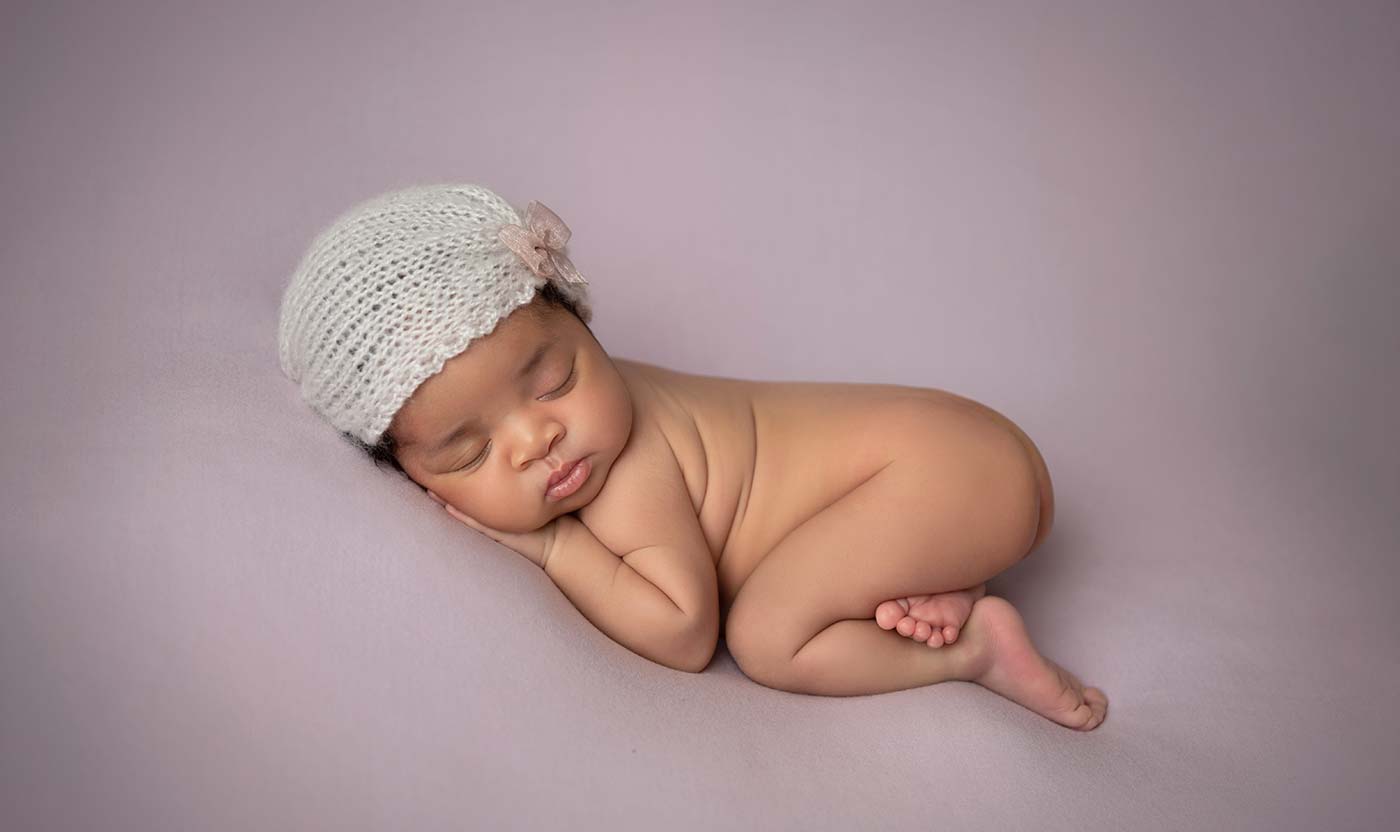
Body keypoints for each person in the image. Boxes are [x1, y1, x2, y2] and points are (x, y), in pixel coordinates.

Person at [278, 183, 1108, 730]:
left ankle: (977, 649)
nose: (538, 440)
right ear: (411, 470)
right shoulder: (598, 411)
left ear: (585, 324)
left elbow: (683, 630)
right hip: (955, 460)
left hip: (947, 473)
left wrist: (554, 544)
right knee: (807, 567)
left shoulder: (626, 470)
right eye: (470, 451)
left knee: (768, 635)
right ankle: (937, 569)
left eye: (556, 378)